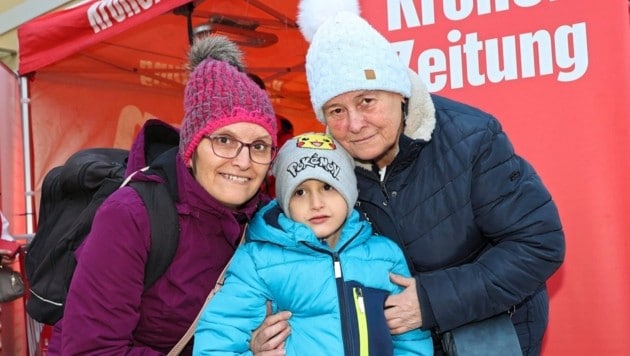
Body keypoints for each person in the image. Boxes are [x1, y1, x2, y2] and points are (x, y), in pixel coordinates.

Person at [252, 0, 566, 355]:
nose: (354, 124)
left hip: (489, 332)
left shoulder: (472, 138)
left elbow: (539, 245)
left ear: (398, 93)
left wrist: (431, 300)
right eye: (337, 111)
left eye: (367, 100)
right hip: (399, 343)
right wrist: (274, 327)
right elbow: (305, 258)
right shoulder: (327, 167)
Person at [46, 35, 279, 355]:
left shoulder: (268, 222)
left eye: (259, 146)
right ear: (193, 146)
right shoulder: (133, 215)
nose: (243, 161)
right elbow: (92, 350)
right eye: (224, 140)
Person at [193, 132, 433, 355]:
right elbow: (218, 339)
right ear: (285, 202)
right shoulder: (259, 261)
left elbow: (410, 339)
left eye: (328, 187)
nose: (316, 203)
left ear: (349, 191)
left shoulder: (385, 255)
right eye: (300, 192)